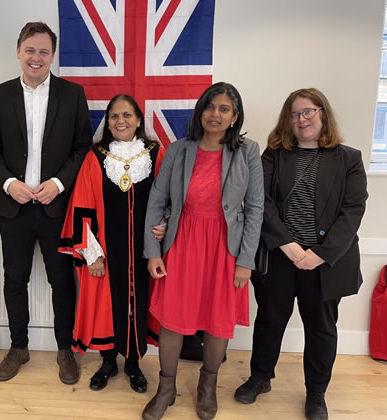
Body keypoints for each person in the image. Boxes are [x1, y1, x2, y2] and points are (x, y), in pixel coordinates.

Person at [233, 88, 368, 420]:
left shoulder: (348, 158)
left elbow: (353, 211)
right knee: (270, 320)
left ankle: (316, 393)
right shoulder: (273, 156)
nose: (301, 119)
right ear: (286, 121)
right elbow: (259, 203)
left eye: (308, 112)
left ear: (322, 113)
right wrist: (289, 245)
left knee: (321, 328)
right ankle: (260, 378)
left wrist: (320, 254)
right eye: (294, 114)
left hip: (325, 261)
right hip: (281, 255)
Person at [142, 82, 264, 420]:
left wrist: (245, 261)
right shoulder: (180, 149)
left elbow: (255, 209)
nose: (216, 114)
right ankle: (166, 388)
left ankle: (207, 386)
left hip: (225, 248)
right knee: (173, 320)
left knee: (217, 320)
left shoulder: (248, 151)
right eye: (211, 107)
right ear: (201, 111)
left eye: (225, 109)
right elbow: (158, 200)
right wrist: (154, 251)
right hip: (182, 242)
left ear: (234, 117)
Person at [0, 21, 92, 385]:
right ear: (18, 52)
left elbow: (82, 148)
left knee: (62, 280)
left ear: (52, 55)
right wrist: (10, 182)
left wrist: (59, 184)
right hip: (14, 207)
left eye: (44, 51)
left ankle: (65, 349)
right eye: (30, 50)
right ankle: (19, 347)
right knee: (15, 280)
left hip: (56, 207)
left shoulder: (72, 94)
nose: (36, 57)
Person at [59, 94, 166, 393]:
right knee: (106, 305)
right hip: (107, 249)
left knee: (139, 304)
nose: (121, 121)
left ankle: (133, 364)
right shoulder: (96, 157)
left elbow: (170, 199)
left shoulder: (157, 154)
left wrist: (163, 230)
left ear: (139, 120)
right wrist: (92, 254)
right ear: (108, 121)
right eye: (115, 116)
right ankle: (108, 362)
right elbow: (81, 206)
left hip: (146, 252)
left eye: (127, 115)